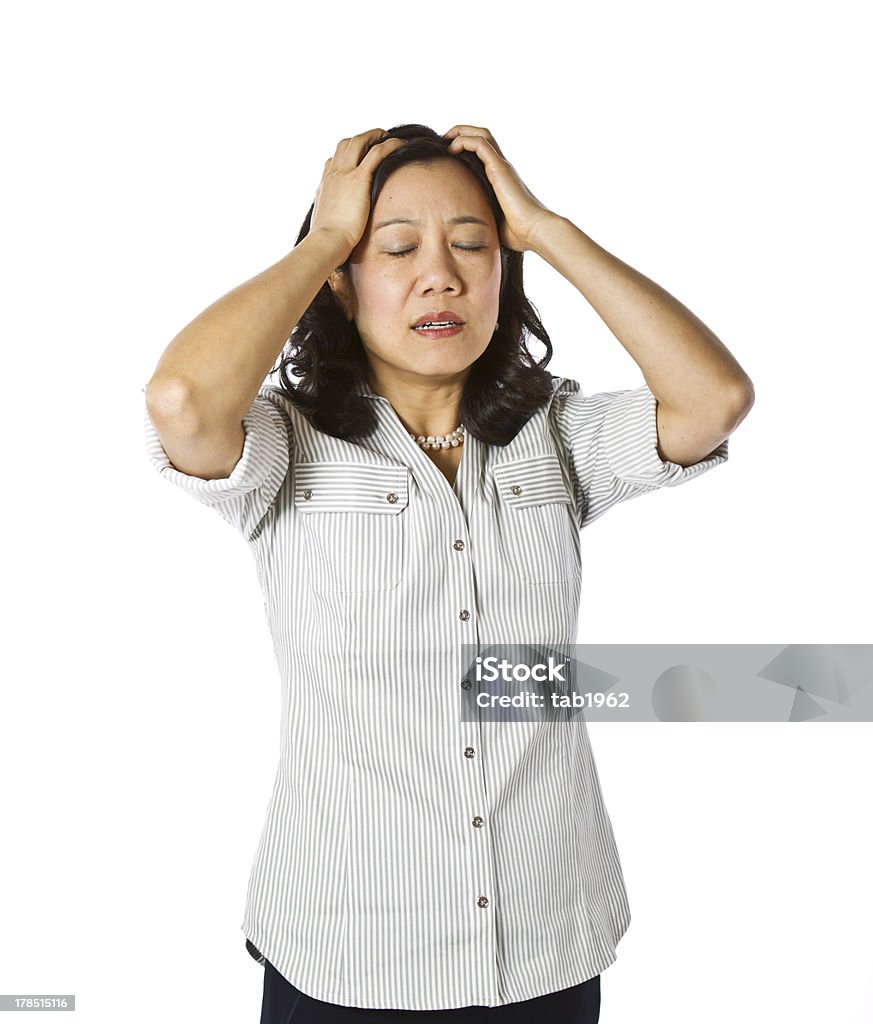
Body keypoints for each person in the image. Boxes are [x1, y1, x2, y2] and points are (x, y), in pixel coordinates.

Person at [142, 123, 754, 1023]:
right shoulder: (280, 444)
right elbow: (180, 400)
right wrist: (323, 239)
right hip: (347, 948)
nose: (442, 274)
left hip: (546, 937)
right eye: (395, 248)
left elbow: (714, 400)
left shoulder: (557, 433)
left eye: (473, 245)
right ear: (341, 286)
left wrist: (541, 226)